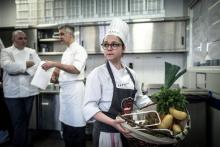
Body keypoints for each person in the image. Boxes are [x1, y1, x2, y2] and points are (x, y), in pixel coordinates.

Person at [83, 18, 152, 147]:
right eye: (105, 44)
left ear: (123, 47)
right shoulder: (97, 74)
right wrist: (113, 122)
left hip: (129, 131)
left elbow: (139, 99)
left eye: (114, 44)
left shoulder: (132, 74)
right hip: (106, 132)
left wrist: (157, 106)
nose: (109, 48)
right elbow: (89, 107)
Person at [41, 25, 88, 147]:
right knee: (67, 130)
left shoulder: (79, 50)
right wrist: (56, 76)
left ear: (70, 34)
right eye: (59, 34)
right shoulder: (66, 51)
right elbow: (66, 73)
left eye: (62, 34)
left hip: (75, 93)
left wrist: (55, 64)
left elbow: (76, 69)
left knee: (76, 128)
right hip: (66, 93)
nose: (59, 37)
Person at [0, 30, 41, 147]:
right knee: (18, 121)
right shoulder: (5, 51)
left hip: (29, 91)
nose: (24, 41)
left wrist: (20, 70)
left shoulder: (31, 51)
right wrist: (27, 65)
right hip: (12, 93)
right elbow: (8, 68)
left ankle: (24, 143)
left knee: (25, 121)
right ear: (13, 40)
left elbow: (38, 67)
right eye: (20, 38)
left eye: (25, 38)